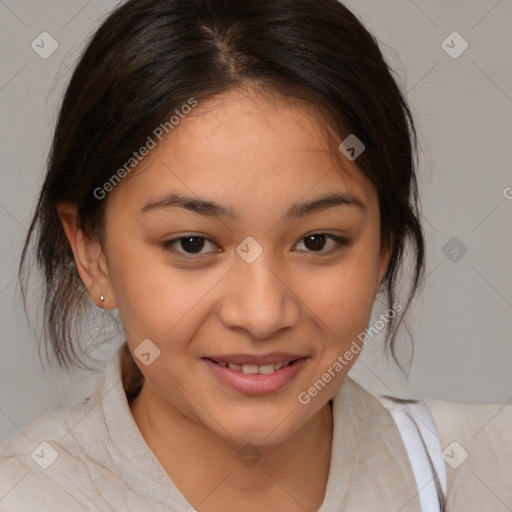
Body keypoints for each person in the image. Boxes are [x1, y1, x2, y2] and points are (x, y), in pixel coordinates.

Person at [1, 0, 510, 511]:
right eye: (193, 243)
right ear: (92, 253)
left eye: (317, 241)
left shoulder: (487, 474)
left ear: (384, 247)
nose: (263, 315)